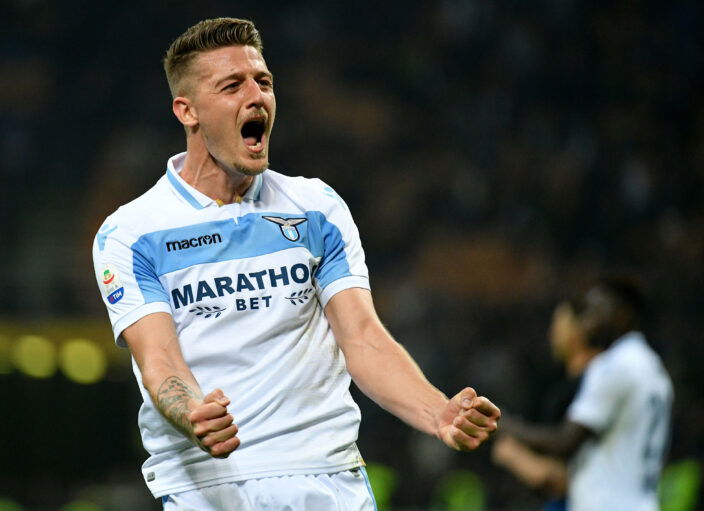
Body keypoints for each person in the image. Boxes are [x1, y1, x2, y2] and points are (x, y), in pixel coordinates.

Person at [92, 17, 500, 509]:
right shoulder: (132, 232)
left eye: (263, 81)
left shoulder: (315, 207)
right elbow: (159, 361)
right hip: (209, 486)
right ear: (188, 110)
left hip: (327, 478)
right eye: (232, 86)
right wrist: (193, 412)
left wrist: (437, 412)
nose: (256, 96)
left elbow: (363, 339)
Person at [501, 278, 673, 511]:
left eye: (597, 311)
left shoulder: (614, 365)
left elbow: (565, 441)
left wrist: (507, 426)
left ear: (622, 315)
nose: (588, 322)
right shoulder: (653, 368)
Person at [492, 298, 592, 511]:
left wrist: (512, 453)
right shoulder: (562, 387)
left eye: (559, 325)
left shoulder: (589, 389)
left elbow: (560, 479)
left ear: (581, 329)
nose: (552, 334)